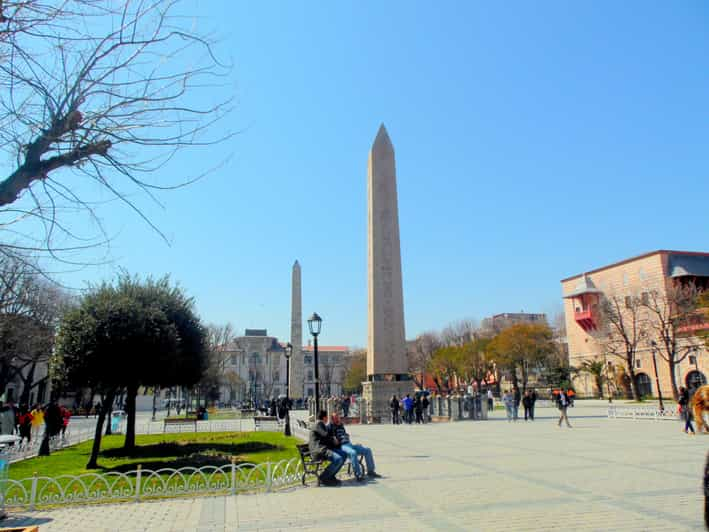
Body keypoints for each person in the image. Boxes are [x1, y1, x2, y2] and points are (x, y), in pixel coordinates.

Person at [329, 413, 381, 480]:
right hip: (343, 446)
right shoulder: (331, 427)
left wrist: (347, 436)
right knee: (353, 453)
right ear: (332, 419)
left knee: (367, 450)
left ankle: (371, 471)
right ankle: (358, 475)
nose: (338, 419)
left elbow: (345, 435)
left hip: (350, 444)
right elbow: (332, 438)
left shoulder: (341, 426)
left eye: (338, 417)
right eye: (336, 418)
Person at [308, 409, 344, 486]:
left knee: (343, 454)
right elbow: (325, 435)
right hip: (319, 451)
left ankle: (331, 476)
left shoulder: (320, 424)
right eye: (327, 417)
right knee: (338, 459)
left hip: (323, 449)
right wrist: (333, 439)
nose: (327, 419)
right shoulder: (318, 424)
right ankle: (323, 478)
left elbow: (325, 438)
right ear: (324, 418)